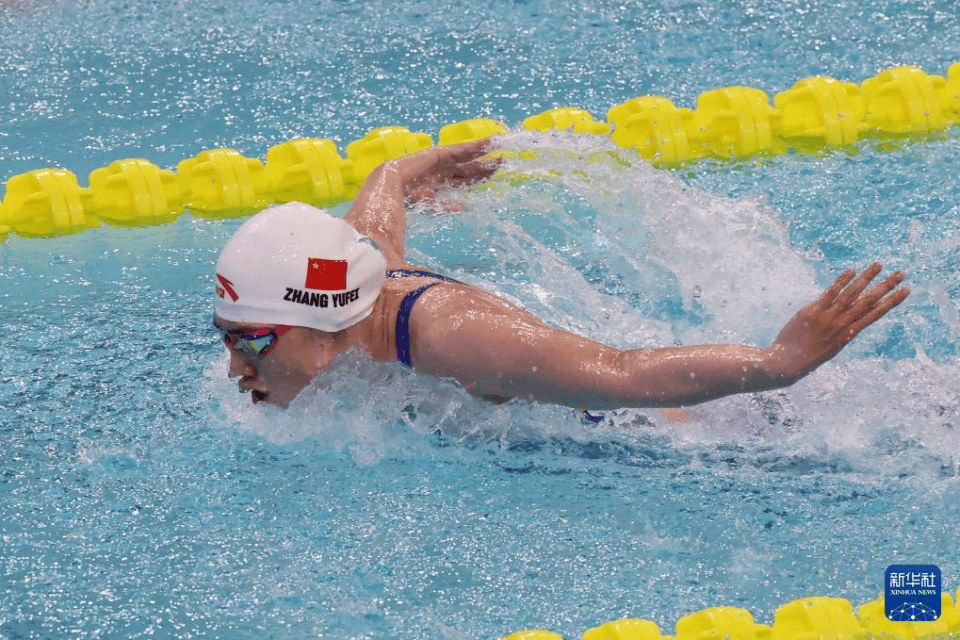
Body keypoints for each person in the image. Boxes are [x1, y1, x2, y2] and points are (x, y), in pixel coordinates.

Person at [212, 138, 910, 409]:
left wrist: (777, 362)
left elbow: (625, 372)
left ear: (324, 317)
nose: (235, 363)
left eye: (252, 339)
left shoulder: (453, 338)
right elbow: (376, 211)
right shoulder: (358, 275)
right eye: (228, 337)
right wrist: (403, 169)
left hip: (689, 431)